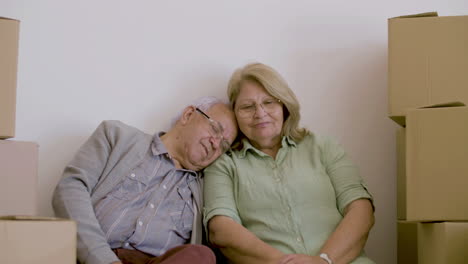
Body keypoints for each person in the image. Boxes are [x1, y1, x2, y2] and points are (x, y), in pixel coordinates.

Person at [203, 63, 375, 264]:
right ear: (235, 113)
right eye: (247, 106)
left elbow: (361, 209)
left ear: (284, 105)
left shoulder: (323, 147)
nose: (260, 113)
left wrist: (323, 261)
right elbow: (221, 229)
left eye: (269, 102)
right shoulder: (224, 165)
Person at [52, 96, 238, 264]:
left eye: (224, 145)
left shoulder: (206, 189)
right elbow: (70, 189)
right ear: (188, 115)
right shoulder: (115, 136)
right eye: (215, 128)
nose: (215, 144)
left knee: (200, 256)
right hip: (91, 258)